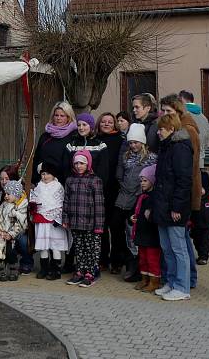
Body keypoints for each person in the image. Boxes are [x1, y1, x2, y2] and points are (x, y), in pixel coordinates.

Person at [160, 93, 202, 288]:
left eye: (169, 111)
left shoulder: (186, 133)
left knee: (181, 242)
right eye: (163, 111)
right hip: (173, 193)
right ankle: (182, 280)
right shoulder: (170, 138)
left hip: (182, 193)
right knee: (178, 241)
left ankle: (185, 281)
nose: (165, 114)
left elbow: (188, 168)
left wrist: (181, 200)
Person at [151, 113, 193, 302]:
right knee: (167, 248)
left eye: (161, 129)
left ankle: (182, 286)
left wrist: (177, 207)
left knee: (178, 249)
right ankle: (171, 281)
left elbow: (184, 181)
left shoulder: (180, 149)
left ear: (172, 129)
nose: (158, 132)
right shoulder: (166, 148)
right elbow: (160, 180)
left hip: (174, 207)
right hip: (162, 205)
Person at [111, 123, 156, 277]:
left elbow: (151, 178)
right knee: (116, 225)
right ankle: (119, 258)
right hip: (123, 195)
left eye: (136, 142)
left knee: (132, 230)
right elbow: (121, 173)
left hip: (137, 197)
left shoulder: (150, 158)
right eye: (130, 142)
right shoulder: (126, 156)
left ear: (142, 142)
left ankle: (134, 265)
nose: (133, 145)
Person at [63, 150, 105, 288]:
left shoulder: (95, 180)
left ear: (88, 164)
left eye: (82, 163)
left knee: (91, 248)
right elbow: (66, 201)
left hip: (91, 223)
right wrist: (65, 219)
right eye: (76, 163)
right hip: (75, 222)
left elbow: (99, 205)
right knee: (79, 248)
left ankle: (91, 272)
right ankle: (80, 271)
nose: (79, 166)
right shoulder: (70, 180)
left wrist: (99, 225)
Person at [30, 160, 70, 281]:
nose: (45, 176)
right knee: (43, 246)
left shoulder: (58, 187)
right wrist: (33, 204)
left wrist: (57, 216)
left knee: (55, 245)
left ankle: (56, 270)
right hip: (41, 220)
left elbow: (61, 202)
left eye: (48, 174)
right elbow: (34, 198)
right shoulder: (38, 186)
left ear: (53, 174)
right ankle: (44, 269)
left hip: (54, 222)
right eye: (43, 174)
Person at [96, 111, 125, 269]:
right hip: (100, 189)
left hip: (116, 188)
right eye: (103, 121)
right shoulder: (95, 140)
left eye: (110, 122)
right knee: (102, 225)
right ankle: (102, 259)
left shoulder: (120, 140)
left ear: (114, 124)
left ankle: (117, 260)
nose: (106, 124)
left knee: (116, 225)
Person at [0, 179, 28, 282]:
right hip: (2, 233)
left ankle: (13, 269)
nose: (6, 196)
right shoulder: (3, 205)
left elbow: (20, 224)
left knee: (10, 251)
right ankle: (1, 269)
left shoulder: (18, 208)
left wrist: (11, 234)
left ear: (16, 195)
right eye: (5, 194)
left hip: (10, 235)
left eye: (9, 194)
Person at [131, 164, 161, 293]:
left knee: (152, 259)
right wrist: (132, 218)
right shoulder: (141, 197)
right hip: (141, 233)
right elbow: (136, 212)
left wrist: (145, 217)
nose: (142, 184)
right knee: (142, 258)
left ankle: (154, 281)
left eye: (145, 181)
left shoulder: (154, 198)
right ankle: (144, 279)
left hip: (151, 234)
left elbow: (152, 216)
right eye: (141, 181)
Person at [33, 101, 78, 185]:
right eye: (56, 115)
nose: (58, 118)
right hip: (43, 182)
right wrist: (34, 180)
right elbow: (37, 158)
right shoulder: (45, 136)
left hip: (63, 182)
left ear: (68, 117)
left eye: (62, 116)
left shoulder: (74, 136)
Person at [189, 171, 209, 265]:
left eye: (201, 188)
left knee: (205, 242)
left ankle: (203, 257)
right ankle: (200, 253)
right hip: (195, 224)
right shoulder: (192, 199)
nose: (199, 191)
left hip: (208, 226)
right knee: (197, 241)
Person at [179, 90, 209, 167]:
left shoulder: (183, 116)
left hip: (185, 159)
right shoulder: (204, 118)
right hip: (200, 159)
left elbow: (180, 136)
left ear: (181, 100)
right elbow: (206, 140)